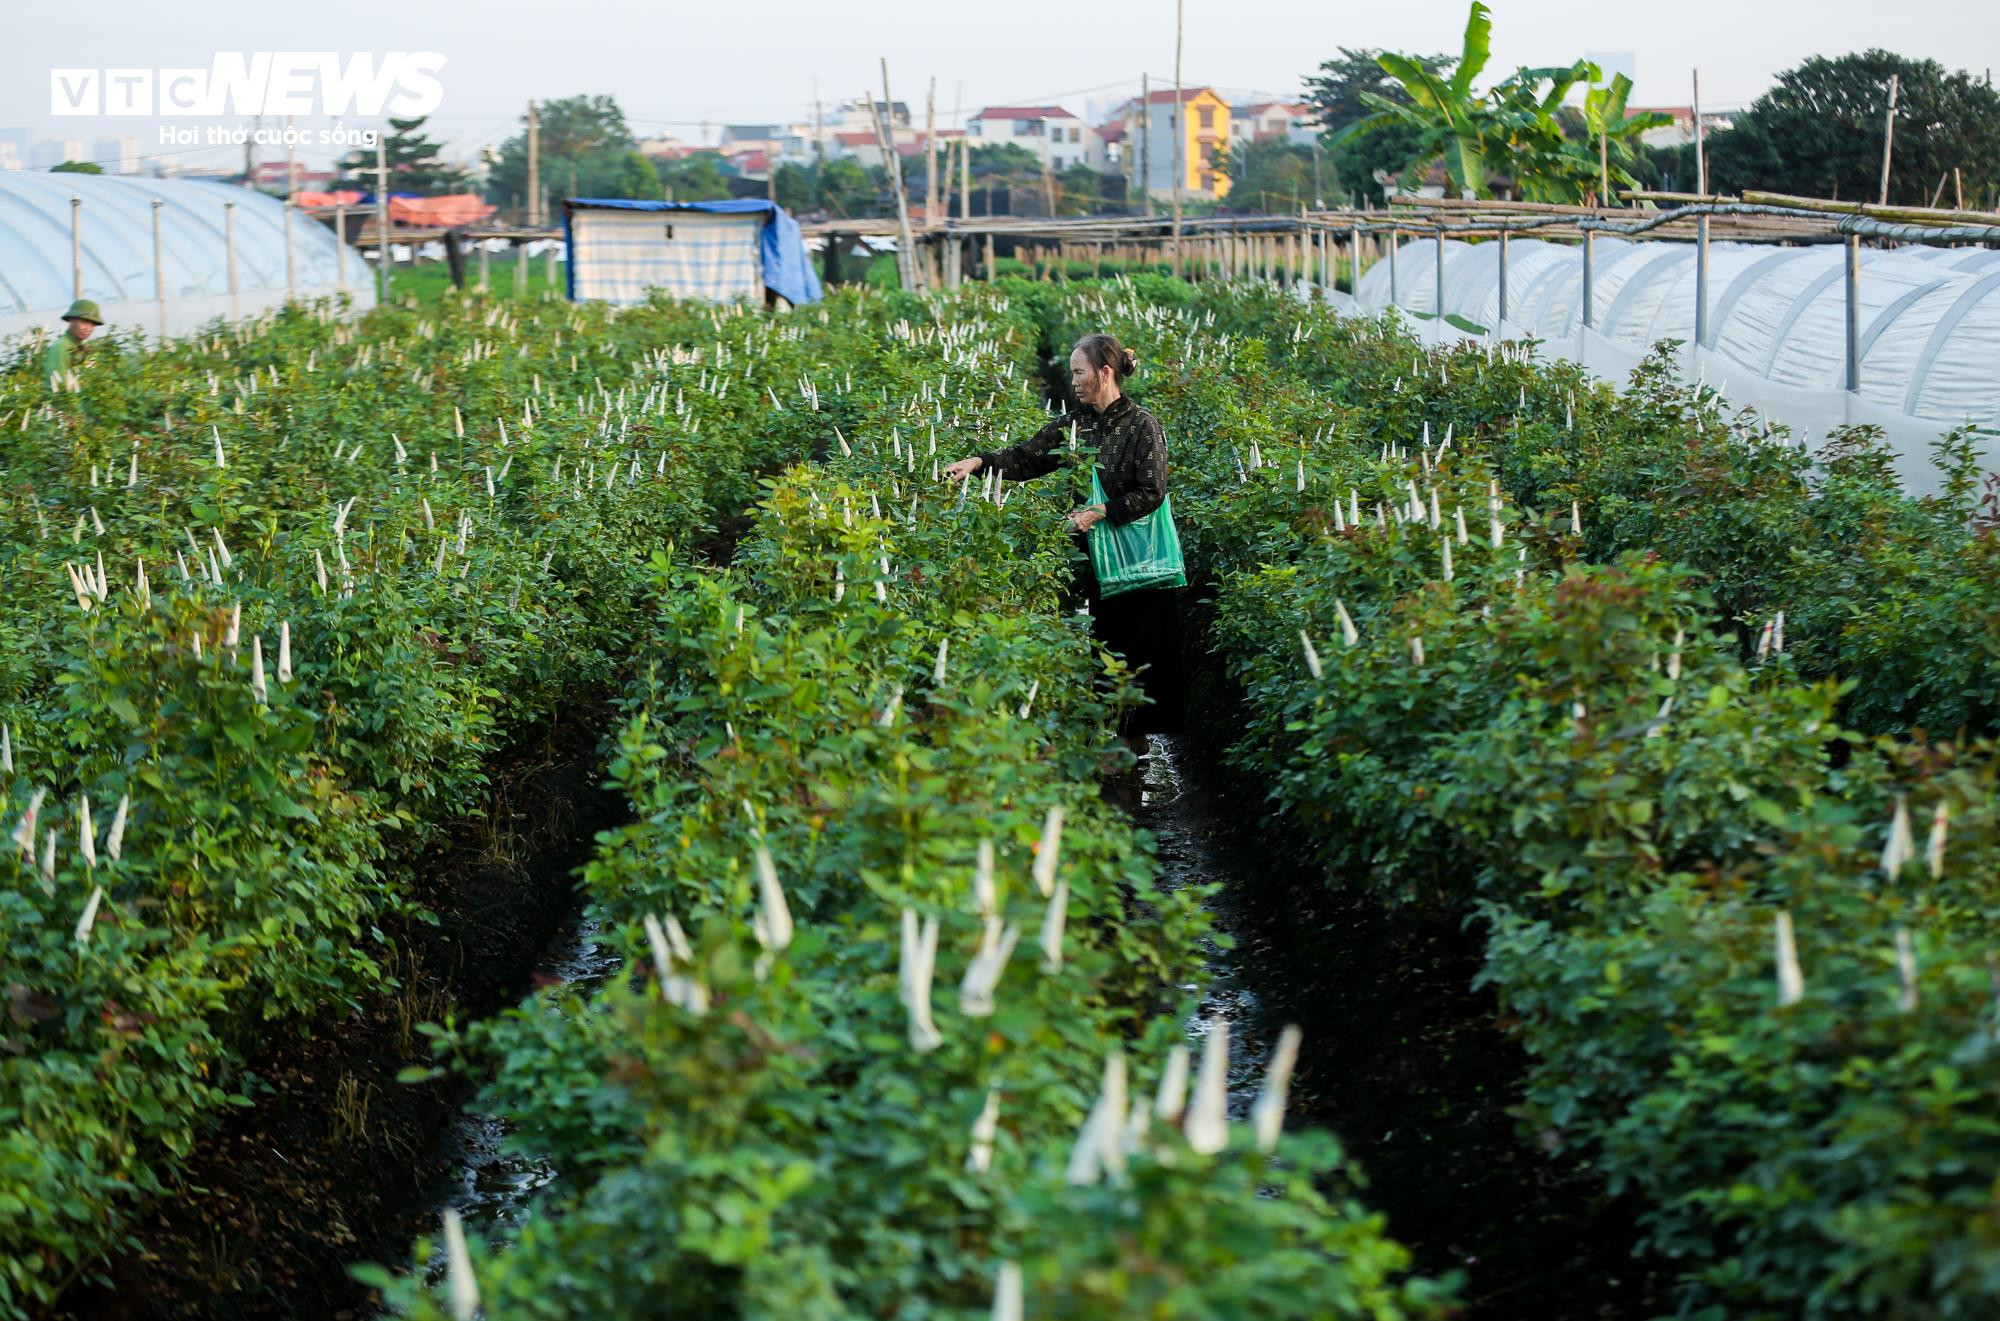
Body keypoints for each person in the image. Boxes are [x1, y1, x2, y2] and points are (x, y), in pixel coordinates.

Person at [941, 332, 1185, 758]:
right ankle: (1125, 740)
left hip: (1141, 560)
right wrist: (978, 463)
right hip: (1099, 562)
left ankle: (1129, 743)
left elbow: (1152, 492)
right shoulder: (1076, 425)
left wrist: (1098, 512)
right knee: (1108, 644)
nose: (1072, 381)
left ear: (1104, 373)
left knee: (1140, 646)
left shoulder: (1142, 426)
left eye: (1078, 372)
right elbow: (1026, 457)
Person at [43, 299, 103, 388]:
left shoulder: (83, 348)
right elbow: (59, 389)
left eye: (93, 324)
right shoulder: (60, 348)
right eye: (84, 322)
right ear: (72, 319)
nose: (89, 328)